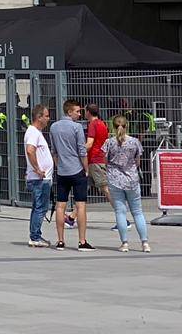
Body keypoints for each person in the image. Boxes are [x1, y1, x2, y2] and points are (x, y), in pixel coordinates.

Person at [49, 99, 93, 251]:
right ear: (69, 112)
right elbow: (82, 150)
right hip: (76, 169)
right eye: (77, 111)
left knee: (60, 205)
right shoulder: (77, 127)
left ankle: (60, 241)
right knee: (80, 205)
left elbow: (54, 151)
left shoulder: (54, 127)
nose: (79, 114)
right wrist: (85, 168)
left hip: (62, 171)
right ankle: (82, 241)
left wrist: (58, 165)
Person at [102, 115, 150, 252]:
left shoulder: (109, 142)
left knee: (120, 212)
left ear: (112, 127)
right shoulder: (135, 142)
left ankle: (124, 243)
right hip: (132, 179)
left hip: (115, 180)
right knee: (137, 212)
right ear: (127, 126)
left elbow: (105, 161)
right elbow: (138, 162)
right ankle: (145, 243)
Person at [24, 104, 53, 247]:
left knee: (38, 207)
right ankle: (35, 237)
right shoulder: (33, 133)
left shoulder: (36, 133)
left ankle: (35, 235)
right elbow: (30, 150)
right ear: (39, 117)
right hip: (39, 179)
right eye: (46, 116)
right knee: (40, 207)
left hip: (41, 178)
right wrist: (37, 169)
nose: (48, 119)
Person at [85, 103, 108, 201]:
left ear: (88, 112)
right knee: (84, 187)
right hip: (99, 158)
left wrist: (78, 152)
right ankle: (74, 213)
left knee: (105, 188)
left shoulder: (92, 124)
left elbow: (89, 144)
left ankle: (119, 209)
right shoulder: (102, 123)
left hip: (95, 160)